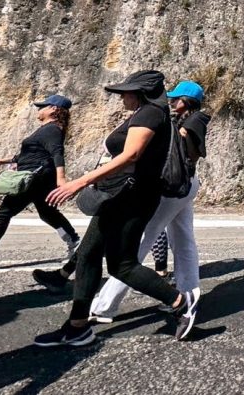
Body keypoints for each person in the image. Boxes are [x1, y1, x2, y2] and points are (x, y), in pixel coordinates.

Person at [32, 70, 198, 347]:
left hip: (131, 197)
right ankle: (77, 327)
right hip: (122, 195)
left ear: (141, 93)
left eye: (125, 92)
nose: (122, 97)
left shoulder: (150, 113)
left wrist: (80, 182)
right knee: (89, 255)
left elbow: (131, 155)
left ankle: (181, 303)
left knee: (122, 265)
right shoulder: (147, 113)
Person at [88, 81, 208, 322]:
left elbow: (189, 155)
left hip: (175, 185)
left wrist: (174, 135)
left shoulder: (195, 120)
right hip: (183, 185)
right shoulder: (182, 120)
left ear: (187, 101)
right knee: (183, 239)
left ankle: (104, 306)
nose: (171, 102)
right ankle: (188, 293)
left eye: (176, 99)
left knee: (142, 238)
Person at [0, 95, 81, 273]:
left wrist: (61, 180)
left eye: (43, 106)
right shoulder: (47, 129)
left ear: (54, 109)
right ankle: (75, 243)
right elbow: (31, 154)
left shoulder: (52, 129)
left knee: (3, 213)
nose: (39, 109)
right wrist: (1, 161)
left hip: (34, 179)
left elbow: (57, 153)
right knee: (47, 213)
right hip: (39, 177)